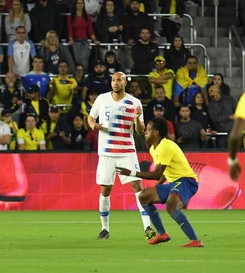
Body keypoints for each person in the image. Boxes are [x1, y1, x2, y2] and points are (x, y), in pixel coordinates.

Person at [117, 118, 204, 247]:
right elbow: (164, 172)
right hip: (174, 183)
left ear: (156, 132)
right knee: (144, 196)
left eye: (148, 130)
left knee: (171, 205)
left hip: (187, 181)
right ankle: (162, 234)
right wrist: (157, 187)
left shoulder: (166, 146)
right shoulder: (154, 148)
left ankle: (195, 241)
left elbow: (157, 173)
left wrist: (132, 173)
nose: (145, 132)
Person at [87, 72, 154, 240]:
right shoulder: (102, 99)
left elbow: (140, 131)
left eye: (119, 80)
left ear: (125, 82)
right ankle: (104, 228)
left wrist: (138, 119)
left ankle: (147, 226)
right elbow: (90, 117)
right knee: (105, 188)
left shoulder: (134, 102)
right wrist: (93, 125)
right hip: (107, 152)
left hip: (126, 151)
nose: (115, 83)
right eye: (113, 80)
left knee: (137, 187)